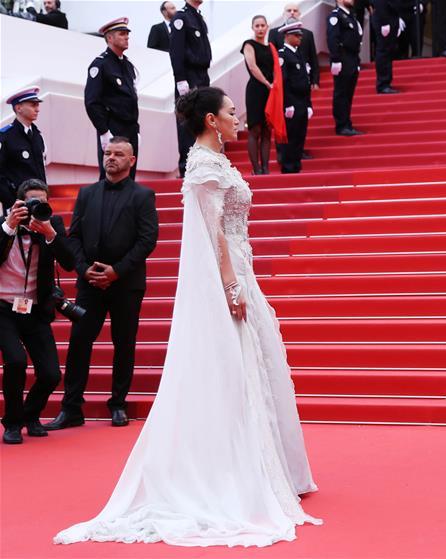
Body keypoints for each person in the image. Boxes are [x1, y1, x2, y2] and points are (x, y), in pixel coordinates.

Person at [53, 86, 322, 547]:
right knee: (231, 369)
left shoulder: (217, 161)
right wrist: (230, 285)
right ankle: (232, 470)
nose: (238, 118)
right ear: (211, 120)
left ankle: (266, 464)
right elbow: (212, 232)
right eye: (231, 112)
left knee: (255, 367)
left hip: (242, 269)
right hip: (226, 276)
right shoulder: (203, 165)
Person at [43, 138, 158, 431]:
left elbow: (147, 240)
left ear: (132, 160)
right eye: (108, 153)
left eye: (118, 154)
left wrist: (116, 272)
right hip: (89, 283)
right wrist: (85, 270)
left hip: (126, 283)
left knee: (124, 343)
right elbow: (74, 237)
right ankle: (71, 408)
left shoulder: (143, 195)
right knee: (79, 342)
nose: (111, 158)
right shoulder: (87, 193)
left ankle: (118, 404)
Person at [1, 179, 74, 444]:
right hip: (3, 308)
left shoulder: (51, 224)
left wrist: (50, 234)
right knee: (16, 361)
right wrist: (9, 227)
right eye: (32, 201)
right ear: (19, 202)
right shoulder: (4, 224)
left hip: (34, 309)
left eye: (42, 202)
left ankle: (30, 416)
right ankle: (12, 423)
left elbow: (69, 262)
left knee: (51, 374)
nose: (36, 206)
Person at [85, 18, 140, 181]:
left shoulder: (127, 65)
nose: (126, 37)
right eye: (122, 34)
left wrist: (136, 130)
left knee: (129, 175)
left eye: (127, 34)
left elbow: (131, 98)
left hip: (130, 127)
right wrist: (103, 131)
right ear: (109, 37)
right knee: (111, 175)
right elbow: (92, 101)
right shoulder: (100, 65)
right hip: (113, 127)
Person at [170, 0, 212, 177]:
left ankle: (203, 165)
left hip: (202, 76)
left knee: (201, 121)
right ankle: (188, 167)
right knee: (187, 122)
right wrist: (180, 79)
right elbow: (176, 51)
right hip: (189, 76)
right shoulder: (181, 17)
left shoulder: (197, 17)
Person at [0, 87, 46, 211]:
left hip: (39, 204)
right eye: (33, 105)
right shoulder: (5, 136)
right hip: (16, 205)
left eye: (37, 105)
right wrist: (12, 201)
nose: (37, 109)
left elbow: (41, 171)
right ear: (18, 108)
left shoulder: (37, 136)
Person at [277, 22, 312, 174]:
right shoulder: (283, 55)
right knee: (291, 135)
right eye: (296, 35)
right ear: (287, 36)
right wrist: (288, 104)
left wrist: (309, 104)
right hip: (292, 101)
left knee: (300, 134)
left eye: (300, 35)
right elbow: (283, 81)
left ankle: (296, 164)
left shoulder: (298, 54)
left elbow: (305, 81)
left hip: (302, 101)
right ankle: (288, 166)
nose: (300, 38)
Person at [242, 15, 275, 175]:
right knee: (255, 129)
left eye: (263, 25)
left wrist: (274, 86)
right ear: (253, 28)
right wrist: (267, 83)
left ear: (267, 27)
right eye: (257, 26)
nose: (260, 28)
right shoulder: (248, 44)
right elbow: (252, 67)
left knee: (267, 131)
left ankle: (266, 169)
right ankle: (256, 169)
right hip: (256, 90)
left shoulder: (271, 47)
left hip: (270, 92)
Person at [328, 0, 365, 136]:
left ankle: (347, 123)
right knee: (342, 92)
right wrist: (336, 59)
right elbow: (333, 38)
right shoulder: (336, 16)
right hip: (343, 58)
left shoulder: (350, 16)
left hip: (352, 58)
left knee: (348, 93)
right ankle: (341, 125)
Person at [372, 0, 405, 94]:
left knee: (388, 51)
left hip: (391, 16)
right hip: (384, 18)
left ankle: (386, 81)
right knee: (384, 51)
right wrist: (384, 22)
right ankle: (383, 84)